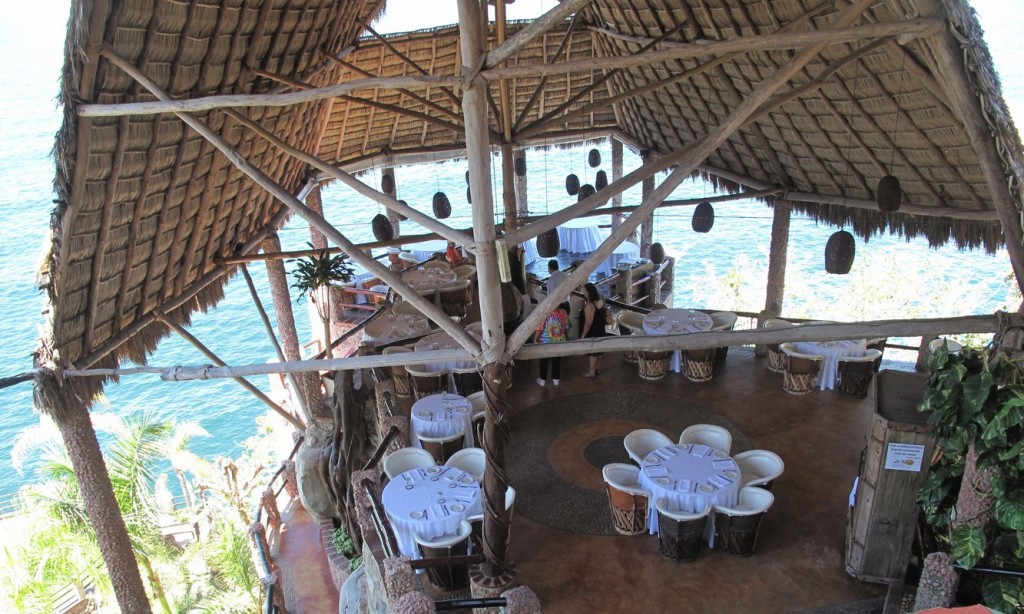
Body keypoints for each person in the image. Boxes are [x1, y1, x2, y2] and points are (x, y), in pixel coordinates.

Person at [535, 302, 570, 387]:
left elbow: (540, 328)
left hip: (545, 341)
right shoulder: (563, 312)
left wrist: (535, 339)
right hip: (559, 340)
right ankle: (556, 379)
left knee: (544, 361)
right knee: (556, 360)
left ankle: (543, 379)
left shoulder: (545, 313)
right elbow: (566, 325)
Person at [579, 283, 607, 378]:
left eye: (583, 289)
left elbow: (588, 323)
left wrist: (583, 335)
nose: (582, 291)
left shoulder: (590, 305)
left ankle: (591, 373)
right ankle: (597, 369)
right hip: (600, 329)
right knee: (598, 352)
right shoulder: (600, 301)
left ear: (588, 291)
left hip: (593, 331)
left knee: (593, 353)